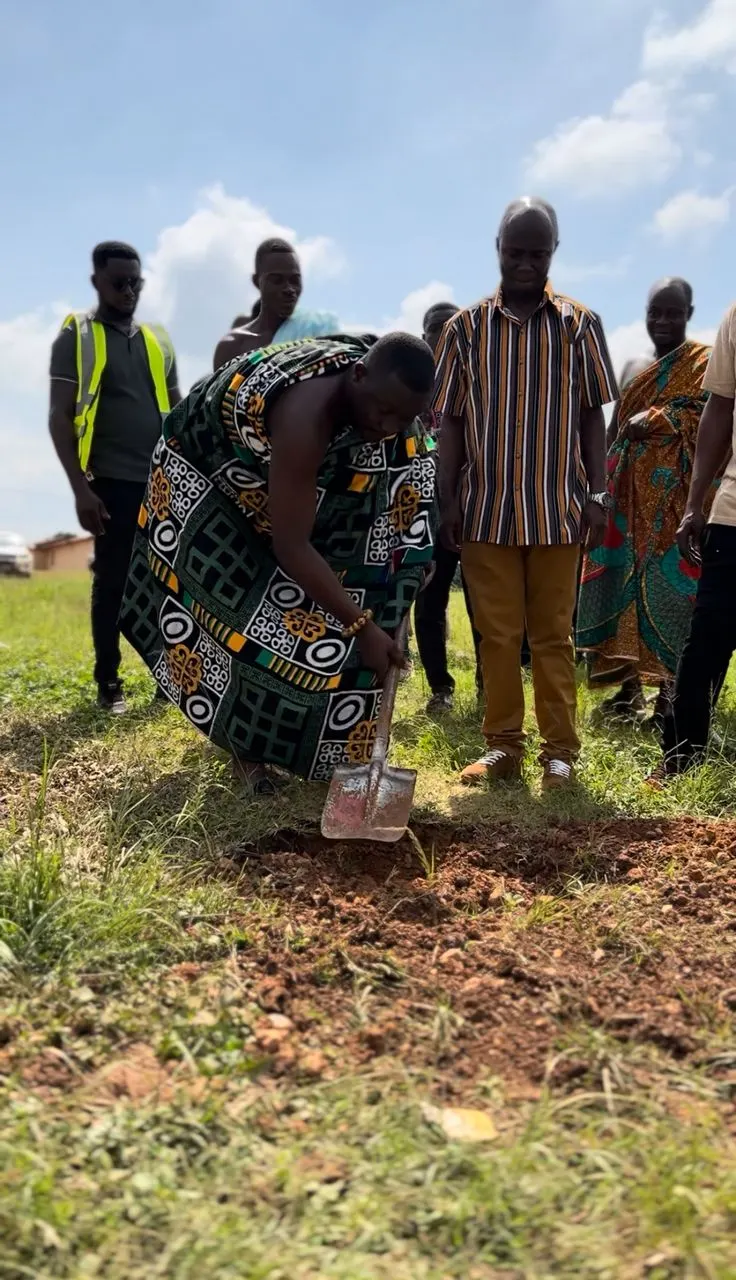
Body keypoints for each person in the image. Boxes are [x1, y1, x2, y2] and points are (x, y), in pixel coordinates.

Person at [120, 333, 438, 793]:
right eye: (383, 410)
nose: (388, 425)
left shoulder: (381, 404)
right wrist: (361, 626)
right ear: (359, 375)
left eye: (402, 417)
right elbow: (292, 548)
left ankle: (332, 750)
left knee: (354, 579)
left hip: (288, 481)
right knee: (244, 619)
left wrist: (411, 552)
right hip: (209, 474)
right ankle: (246, 755)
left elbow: (413, 469)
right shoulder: (304, 418)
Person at [435, 197, 618, 790]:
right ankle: (503, 747)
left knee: (552, 636)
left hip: (557, 510)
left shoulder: (579, 324)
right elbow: (453, 423)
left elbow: (593, 416)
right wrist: (447, 499)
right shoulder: (464, 331)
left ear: (552, 253)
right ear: (498, 249)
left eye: (537, 253)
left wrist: (598, 493)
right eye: (515, 252)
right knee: (497, 635)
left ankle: (560, 752)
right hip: (486, 509)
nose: (525, 264)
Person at [49, 241, 180, 713]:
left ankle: (171, 679)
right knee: (114, 583)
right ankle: (109, 681)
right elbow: (59, 416)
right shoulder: (78, 338)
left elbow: (175, 408)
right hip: (109, 482)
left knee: (169, 584)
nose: (129, 291)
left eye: (136, 282)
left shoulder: (157, 339)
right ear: (97, 282)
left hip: (162, 483)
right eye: (118, 282)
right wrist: (80, 490)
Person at [577, 279, 711, 728]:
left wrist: (660, 417)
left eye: (673, 312)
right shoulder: (634, 365)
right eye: (656, 312)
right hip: (628, 502)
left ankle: (668, 700)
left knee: (675, 598)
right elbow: (613, 430)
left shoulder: (705, 363)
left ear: (690, 312)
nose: (664, 321)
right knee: (624, 595)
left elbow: (712, 425)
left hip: (677, 505)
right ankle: (627, 692)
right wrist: (597, 491)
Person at [651, 299, 736, 779]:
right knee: (705, 642)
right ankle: (680, 762)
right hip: (732, 515)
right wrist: (694, 503)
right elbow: (719, 407)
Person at [413, 302, 482, 711]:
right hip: (427, 513)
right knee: (430, 600)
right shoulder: (412, 387)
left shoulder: (481, 384)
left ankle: (487, 685)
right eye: (436, 329)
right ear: (425, 337)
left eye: (450, 328)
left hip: (474, 510)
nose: (442, 335)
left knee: (482, 604)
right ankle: (441, 688)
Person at [213, 239, 340, 370]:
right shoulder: (232, 347)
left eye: (294, 280)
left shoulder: (318, 329)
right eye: (277, 280)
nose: (289, 289)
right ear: (257, 282)